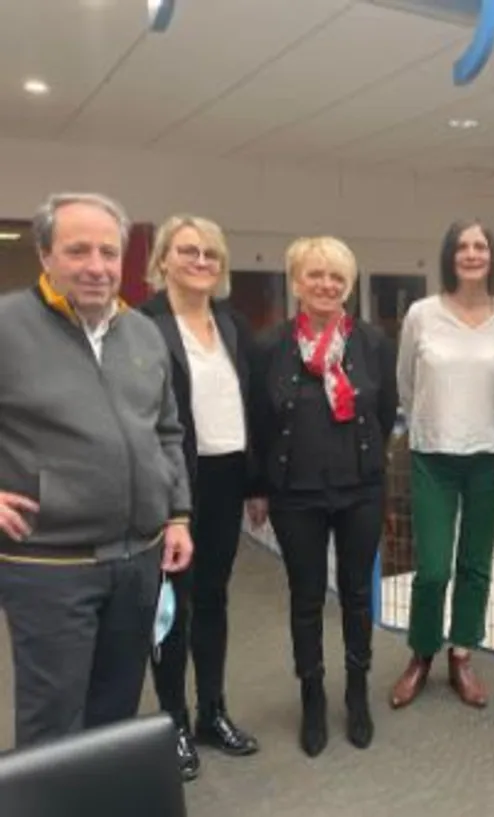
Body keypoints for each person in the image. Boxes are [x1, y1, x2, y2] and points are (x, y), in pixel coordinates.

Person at [0, 192, 193, 748]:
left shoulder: (143, 332)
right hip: (50, 564)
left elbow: (167, 431)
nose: (96, 266)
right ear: (45, 255)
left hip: (138, 561)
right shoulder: (9, 326)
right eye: (77, 250)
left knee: (114, 714)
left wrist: (177, 515)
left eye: (109, 252)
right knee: (54, 721)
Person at [248, 236, 397, 757]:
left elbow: (384, 413)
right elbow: (259, 424)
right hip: (296, 495)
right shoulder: (270, 346)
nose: (326, 285)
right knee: (306, 599)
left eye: (337, 277)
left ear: (348, 285)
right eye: (315, 275)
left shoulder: (373, 343)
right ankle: (313, 697)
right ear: (296, 282)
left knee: (358, 597)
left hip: (360, 491)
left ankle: (357, 695)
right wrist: (257, 488)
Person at [140, 215, 260, 781]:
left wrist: (256, 483)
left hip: (226, 478)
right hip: (174, 486)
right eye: (188, 251)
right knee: (172, 611)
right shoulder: (141, 326)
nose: (202, 262)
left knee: (213, 600)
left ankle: (212, 712)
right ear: (162, 259)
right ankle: (174, 725)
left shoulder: (231, 324)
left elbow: (247, 408)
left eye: (211, 253)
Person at [389, 220, 494, 710]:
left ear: (492, 256)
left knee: (475, 565)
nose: (471, 253)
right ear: (449, 256)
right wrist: (430, 424)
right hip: (432, 459)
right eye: (462, 246)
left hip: (488, 459)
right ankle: (422, 652)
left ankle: (462, 653)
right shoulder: (422, 314)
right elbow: (406, 382)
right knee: (433, 568)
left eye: (480, 245)